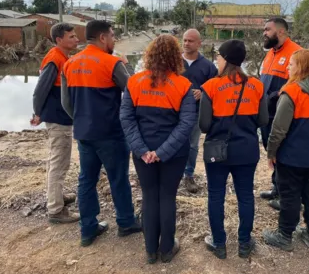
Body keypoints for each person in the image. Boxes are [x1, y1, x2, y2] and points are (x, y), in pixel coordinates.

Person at [61, 20, 142, 247]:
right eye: (113, 36)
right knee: (118, 179)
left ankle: (88, 229)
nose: (114, 40)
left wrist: (80, 119)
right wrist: (128, 67)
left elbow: (66, 103)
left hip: (84, 133)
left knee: (86, 180)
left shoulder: (70, 64)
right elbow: (134, 90)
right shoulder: (112, 63)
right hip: (111, 133)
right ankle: (126, 222)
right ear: (103, 38)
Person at [120, 34, 196, 264]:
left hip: (142, 152)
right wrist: (162, 152)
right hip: (174, 153)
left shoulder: (134, 81)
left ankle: (150, 250)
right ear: (175, 56)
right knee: (167, 196)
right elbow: (186, 124)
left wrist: (142, 150)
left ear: (150, 54)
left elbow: (126, 118)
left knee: (149, 196)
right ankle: (167, 249)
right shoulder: (184, 85)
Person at [199, 40, 268, 260]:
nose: (216, 61)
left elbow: (204, 126)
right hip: (247, 150)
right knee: (246, 196)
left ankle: (219, 244)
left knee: (216, 196)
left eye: (218, 57)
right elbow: (263, 119)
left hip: (217, 152)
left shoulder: (210, 87)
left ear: (226, 59)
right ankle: (244, 243)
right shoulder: (257, 86)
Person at [262, 49, 309, 252]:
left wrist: (271, 152)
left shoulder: (292, 92)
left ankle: (284, 235)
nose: (288, 67)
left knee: (289, 194)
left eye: (291, 64)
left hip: (293, 156)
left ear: (301, 67)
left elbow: (278, 129)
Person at [31, 23, 80, 224]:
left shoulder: (62, 57)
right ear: (59, 40)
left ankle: (57, 197)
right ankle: (56, 210)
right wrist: (37, 112)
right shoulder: (54, 59)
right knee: (59, 164)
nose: (76, 39)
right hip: (57, 119)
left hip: (61, 118)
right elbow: (40, 90)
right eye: (72, 36)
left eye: (76, 36)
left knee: (58, 161)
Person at [259, 17, 302, 210]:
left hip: (283, 115)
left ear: (281, 32)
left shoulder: (296, 53)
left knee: (283, 153)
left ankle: (289, 196)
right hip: (266, 114)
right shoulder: (270, 53)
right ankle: (277, 187)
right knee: (272, 151)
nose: (264, 33)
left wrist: (273, 96)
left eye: (268, 29)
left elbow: (296, 85)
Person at [181, 29, 218, 193]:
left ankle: (188, 174)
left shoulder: (208, 67)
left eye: (190, 41)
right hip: (174, 112)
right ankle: (172, 174)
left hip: (196, 112)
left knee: (192, 145)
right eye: (184, 40)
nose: (186, 43)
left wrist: (202, 93)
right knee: (173, 142)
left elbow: (216, 89)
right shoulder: (173, 63)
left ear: (199, 43)